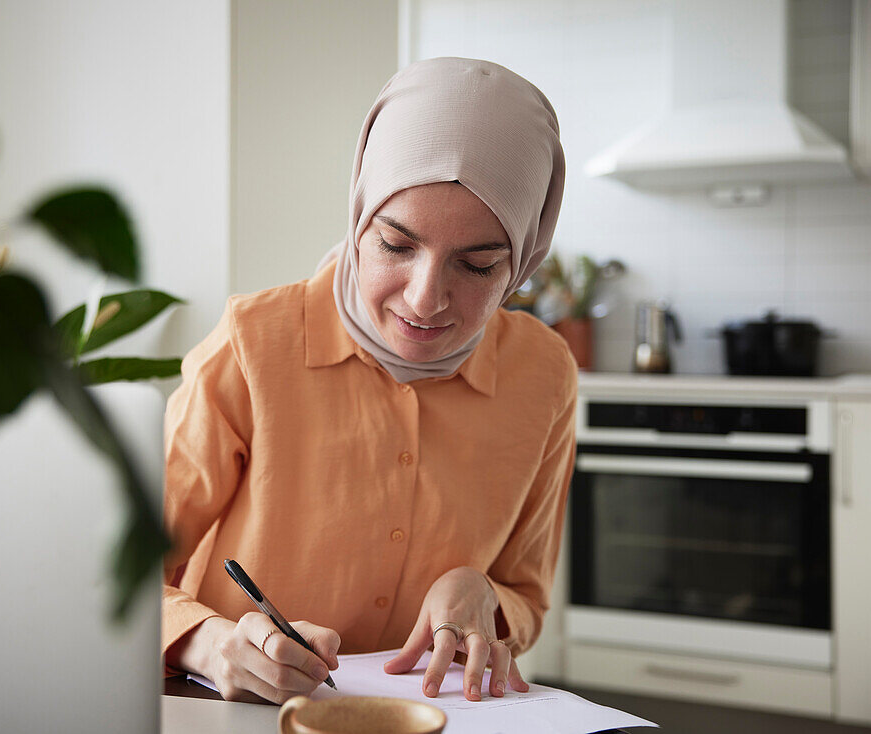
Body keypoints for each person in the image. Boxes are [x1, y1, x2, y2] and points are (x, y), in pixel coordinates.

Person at [161, 57, 573, 705]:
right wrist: (209, 645)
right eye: (395, 244)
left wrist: (484, 595)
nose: (425, 297)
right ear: (357, 217)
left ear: (522, 262)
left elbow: (527, 598)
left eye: (478, 264)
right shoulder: (251, 344)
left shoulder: (544, 375)